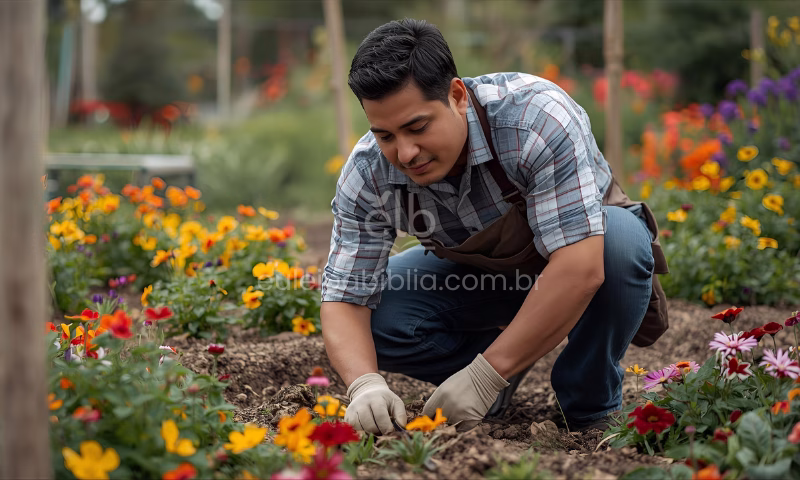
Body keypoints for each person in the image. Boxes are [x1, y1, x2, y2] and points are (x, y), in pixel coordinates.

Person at [319, 18, 668, 436]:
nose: (406, 152)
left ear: (457, 95)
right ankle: (489, 381)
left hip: (582, 260)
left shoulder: (534, 118)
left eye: (417, 127)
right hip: (489, 280)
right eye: (385, 135)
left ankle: (589, 403)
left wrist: (487, 373)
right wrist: (364, 383)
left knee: (619, 244)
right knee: (379, 315)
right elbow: (344, 297)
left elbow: (580, 268)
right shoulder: (367, 174)